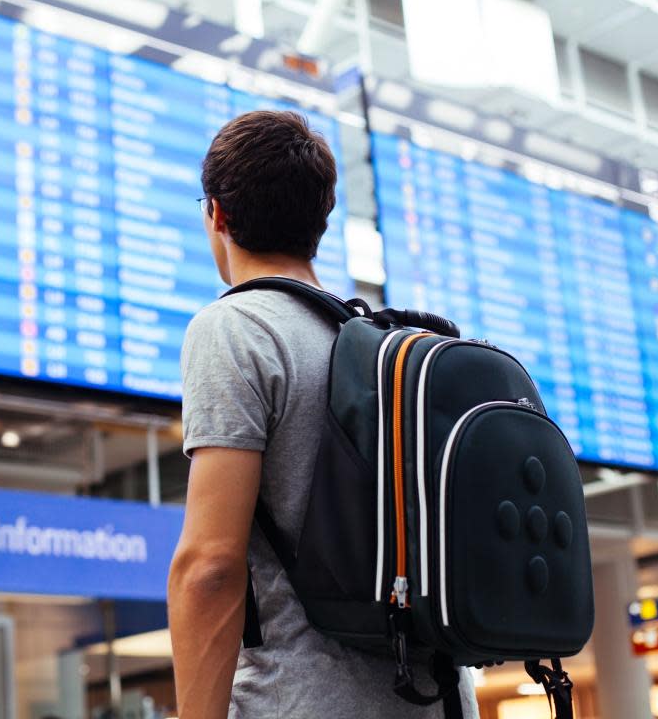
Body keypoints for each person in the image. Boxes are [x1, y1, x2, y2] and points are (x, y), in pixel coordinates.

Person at [167, 111, 480, 718]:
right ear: (322, 222)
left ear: (217, 215)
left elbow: (208, 566)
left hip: (305, 700)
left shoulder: (236, 328)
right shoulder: (385, 349)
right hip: (439, 702)